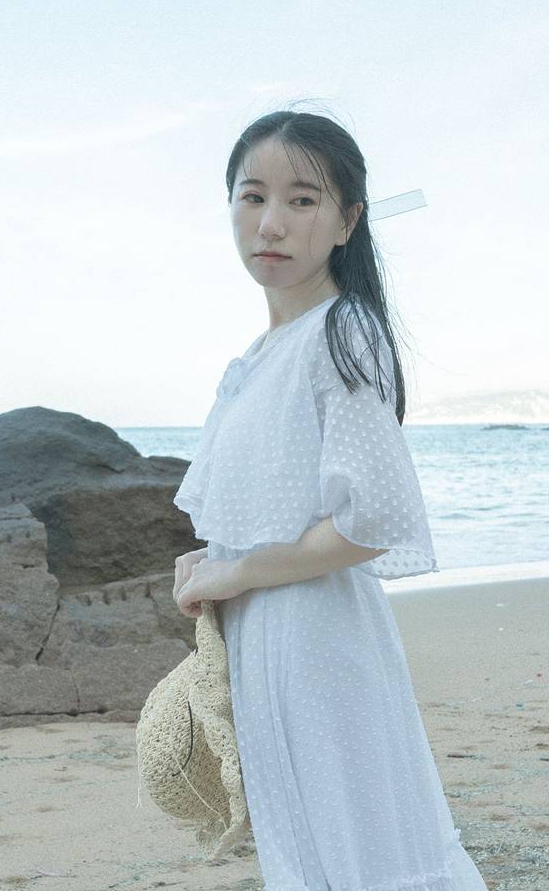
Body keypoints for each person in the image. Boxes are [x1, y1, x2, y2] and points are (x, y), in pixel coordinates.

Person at [172, 109, 489, 890]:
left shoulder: (343, 332)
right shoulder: (263, 353)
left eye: (303, 199)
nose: (271, 222)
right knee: (311, 852)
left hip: (318, 645)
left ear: (348, 221)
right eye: (252, 196)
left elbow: (370, 522)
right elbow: (284, 510)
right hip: (269, 641)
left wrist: (236, 572)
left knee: (361, 855)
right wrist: (216, 558)